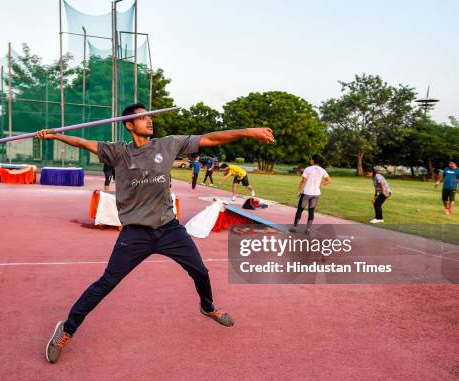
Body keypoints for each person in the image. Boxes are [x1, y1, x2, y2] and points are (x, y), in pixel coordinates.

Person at [36, 103, 275, 364]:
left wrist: (248, 131)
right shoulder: (117, 152)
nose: (150, 121)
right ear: (129, 125)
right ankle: (67, 330)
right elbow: (84, 142)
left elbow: (211, 137)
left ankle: (207, 307)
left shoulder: (168, 144)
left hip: (169, 229)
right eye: (143, 118)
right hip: (135, 234)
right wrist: (56, 135)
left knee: (200, 271)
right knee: (106, 283)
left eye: (150, 117)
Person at [289, 154, 331, 234]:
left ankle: (294, 228)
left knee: (300, 210)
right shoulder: (322, 170)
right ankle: (308, 229)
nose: (310, 160)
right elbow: (329, 180)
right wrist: (321, 185)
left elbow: (303, 181)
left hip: (307, 193)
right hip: (316, 194)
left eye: (311, 159)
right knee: (311, 211)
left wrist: (299, 191)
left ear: (313, 160)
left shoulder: (308, 169)